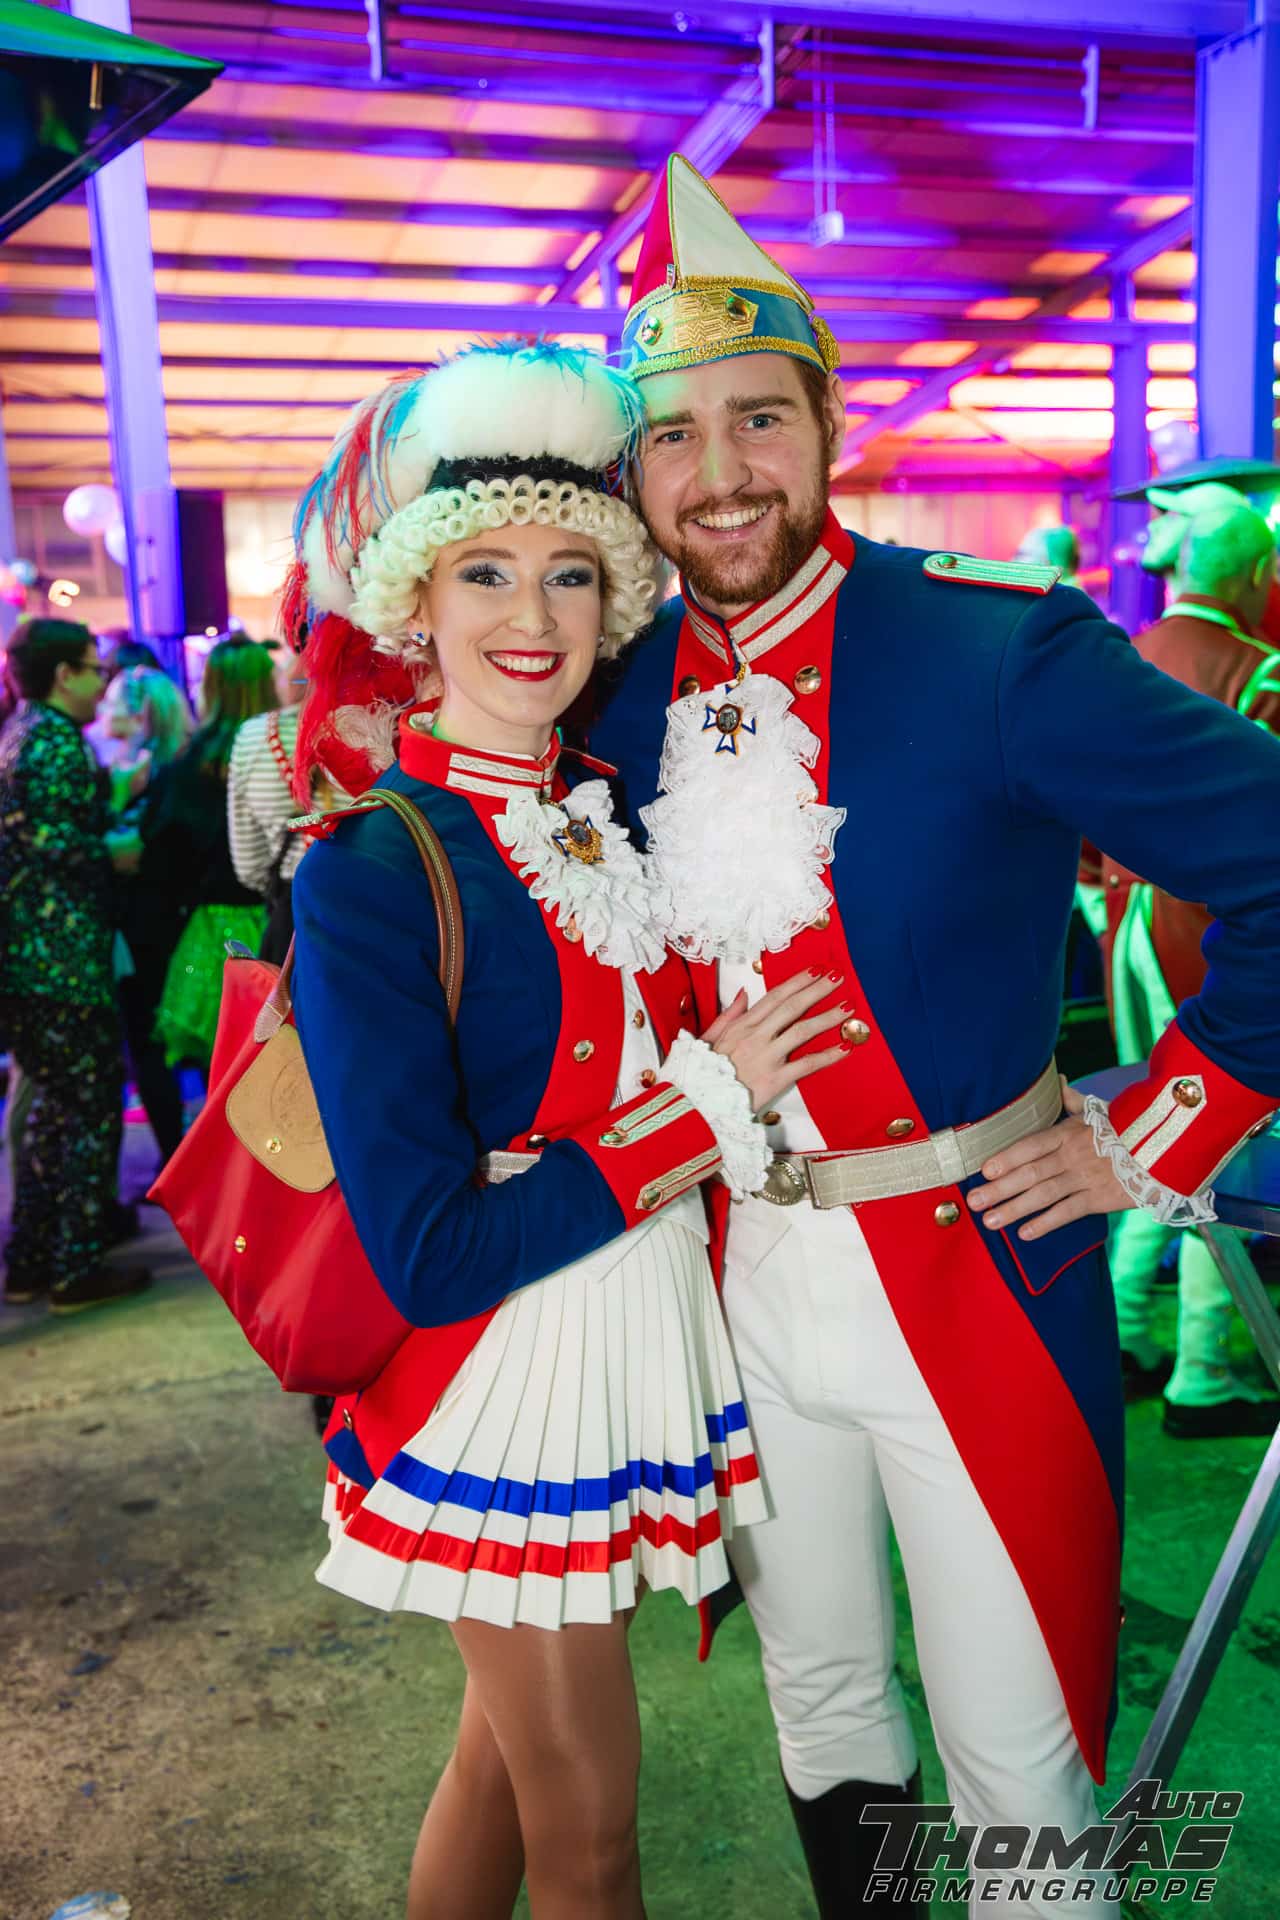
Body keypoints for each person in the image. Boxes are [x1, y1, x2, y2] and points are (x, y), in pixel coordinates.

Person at [586, 155, 1280, 1918]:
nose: (721, 473)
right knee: (820, 1709)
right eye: (674, 436)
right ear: (633, 472)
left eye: (760, 419)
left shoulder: (995, 649)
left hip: (978, 1276)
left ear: (829, 429)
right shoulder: (609, 687)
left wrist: (1155, 1128)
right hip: (733, 1284)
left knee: (1018, 1766)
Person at [286, 343, 843, 1920]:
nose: (531, 616)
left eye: (570, 574)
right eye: (485, 574)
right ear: (416, 607)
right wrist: (702, 1107)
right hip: (501, 1374)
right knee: (590, 1835)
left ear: (614, 600)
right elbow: (430, 1250)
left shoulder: (605, 802)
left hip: (635, 1332)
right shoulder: (367, 868)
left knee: (500, 1771)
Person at [1099, 499, 1280, 1436]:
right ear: (1254, 575)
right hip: (1214, 927)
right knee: (1225, 1122)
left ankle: (1127, 1324)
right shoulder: (1258, 670)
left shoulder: (1123, 658)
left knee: (1156, 1106)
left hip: (1126, 916)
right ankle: (1204, 1368)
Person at [0, 619, 151, 1312]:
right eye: (94, 668)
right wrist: (112, 852)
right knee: (88, 1107)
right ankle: (76, 1266)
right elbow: (51, 846)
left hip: (28, 963)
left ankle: (32, 1257)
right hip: (59, 959)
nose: (102, 682)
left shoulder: (20, 733)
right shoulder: (57, 742)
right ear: (64, 674)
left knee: (51, 1112)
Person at [146, 637, 278, 1076]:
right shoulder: (284, 756)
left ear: (210, 687)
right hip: (279, 926)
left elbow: (163, 855)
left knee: (218, 1067)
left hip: (208, 934)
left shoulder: (186, 764)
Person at [113, 668, 196, 1169]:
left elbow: (135, 852)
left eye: (116, 703)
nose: (107, 713)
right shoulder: (181, 765)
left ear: (141, 710)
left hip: (152, 924)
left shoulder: (158, 774)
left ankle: (178, 1162)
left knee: (151, 1041)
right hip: (172, 921)